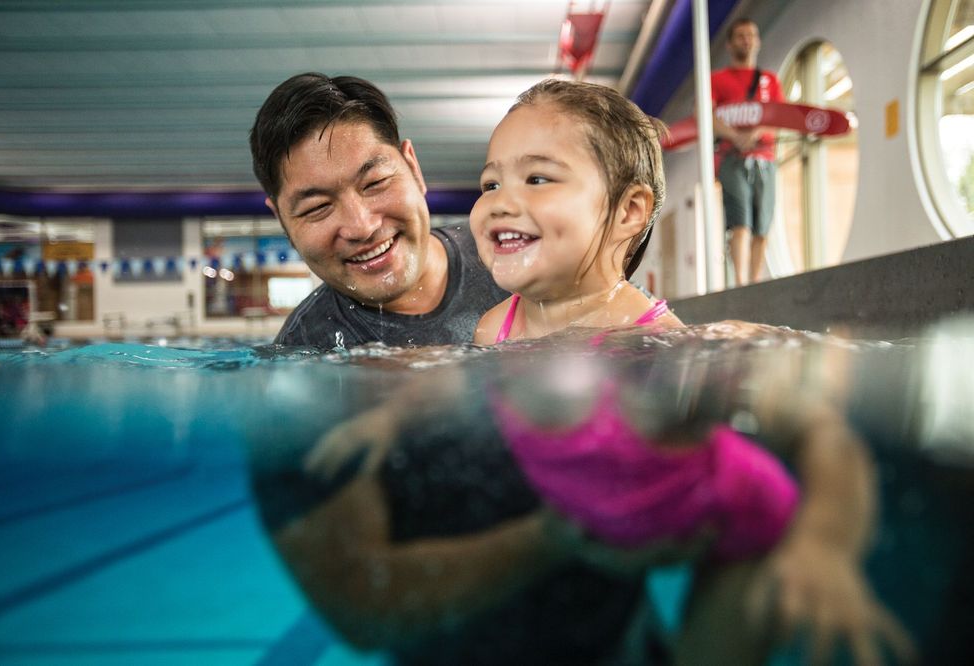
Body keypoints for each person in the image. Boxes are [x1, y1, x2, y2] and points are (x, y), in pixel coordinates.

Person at [296, 79, 914, 664]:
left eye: (537, 178)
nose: (499, 203)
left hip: (736, 525)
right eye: (490, 184)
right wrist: (388, 419)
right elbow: (457, 381)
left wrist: (824, 547)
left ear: (627, 213)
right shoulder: (496, 328)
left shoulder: (656, 351)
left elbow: (821, 434)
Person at [249, 72, 508, 349]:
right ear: (282, 220)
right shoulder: (303, 353)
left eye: (375, 183)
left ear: (413, 167)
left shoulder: (509, 246)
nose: (362, 226)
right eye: (318, 207)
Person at [711, 17, 785, 286]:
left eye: (751, 35)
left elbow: (781, 116)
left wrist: (757, 132)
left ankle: (755, 281)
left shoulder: (770, 81)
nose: (747, 40)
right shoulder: (717, 80)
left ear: (758, 41)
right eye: (740, 36)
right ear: (730, 45)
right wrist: (734, 136)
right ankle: (741, 283)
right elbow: (705, 115)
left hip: (765, 159)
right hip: (732, 159)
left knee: (762, 225)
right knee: (740, 221)